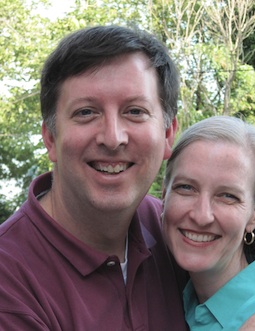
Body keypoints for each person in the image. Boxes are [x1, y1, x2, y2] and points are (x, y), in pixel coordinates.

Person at [0, 25, 189, 330]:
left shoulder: (176, 227)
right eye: (86, 112)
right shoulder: (9, 282)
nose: (112, 138)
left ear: (168, 134)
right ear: (50, 138)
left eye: (135, 111)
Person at [162, 115, 255, 330]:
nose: (202, 216)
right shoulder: (183, 299)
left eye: (228, 196)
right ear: (164, 195)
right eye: (186, 188)